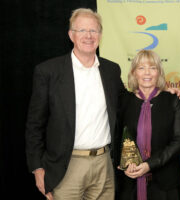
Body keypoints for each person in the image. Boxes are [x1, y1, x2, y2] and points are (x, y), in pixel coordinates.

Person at [25, 8, 125, 200]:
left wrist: (166, 93)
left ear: (100, 35)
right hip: (66, 166)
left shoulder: (111, 70)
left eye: (94, 30)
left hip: (104, 165)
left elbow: (128, 101)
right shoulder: (48, 72)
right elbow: (34, 125)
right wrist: (37, 168)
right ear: (71, 35)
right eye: (82, 31)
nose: (88, 36)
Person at [117, 50, 180, 200]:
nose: (147, 73)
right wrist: (123, 163)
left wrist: (149, 165)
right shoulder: (123, 101)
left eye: (152, 68)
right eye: (141, 68)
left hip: (165, 184)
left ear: (159, 72)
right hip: (130, 183)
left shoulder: (172, 100)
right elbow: (116, 136)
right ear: (134, 73)